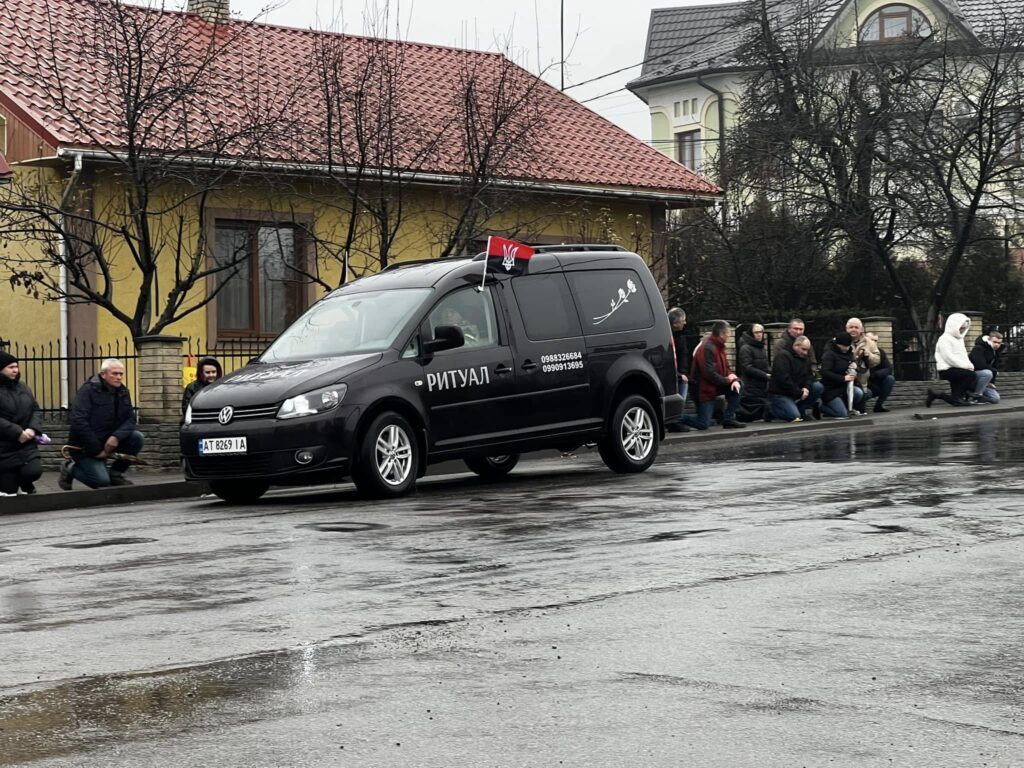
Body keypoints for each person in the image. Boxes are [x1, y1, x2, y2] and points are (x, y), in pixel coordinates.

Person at [60, 358, 144, 490]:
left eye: (121, 374)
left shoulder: (122, 392)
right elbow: (79, 421)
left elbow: (130, 419)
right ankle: (69, 468)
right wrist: (97, 449)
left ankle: (116, 474)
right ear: (103, 374)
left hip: (109, 441)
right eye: (114, 374)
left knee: (137, 438)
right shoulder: (88, 391)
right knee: (101, 481)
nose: (119, 377)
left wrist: (116, 437)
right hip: (84, 448)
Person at [683, 321, 745, 430]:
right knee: (703, 424)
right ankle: (676, 419)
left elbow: (727, 368)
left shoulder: (719, 347)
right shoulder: (707, 348)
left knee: (738, 385)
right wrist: (728, 380)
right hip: (703, 390)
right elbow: (709, 374)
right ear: (721, 334)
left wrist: (733, 379)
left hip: (714, 386)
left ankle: (728, 419)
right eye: (728, 333)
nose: (729, 336)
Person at [0, 352, 44, 497]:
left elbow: (35, 410)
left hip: (27, 444)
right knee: (9, 491)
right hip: (5, 446)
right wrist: (17, 432)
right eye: (10, 367)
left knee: (33, 471)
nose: (15, 370)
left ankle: (25, 482)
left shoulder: (23, 387)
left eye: (16, 367)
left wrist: (32, 429)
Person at [768, 335, 823, 422]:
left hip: (797, 391)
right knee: (793, 416)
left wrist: (806, 388)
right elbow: (784, 380)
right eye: (803, 349)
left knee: (818, 387)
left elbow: (809, 376)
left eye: (807, 350)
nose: (805, 352)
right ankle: (771, 410)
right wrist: (799, 392)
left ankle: (800, 410)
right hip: (781, 393)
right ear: (796, 346)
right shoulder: (783, 356)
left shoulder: (805, 358)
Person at [927, 312, 976, 408]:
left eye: (964, 328)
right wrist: (966, 366)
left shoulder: (959, 340)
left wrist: (970, 365)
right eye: (960, 328)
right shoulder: (944, 339)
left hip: (956, 368)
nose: (962, 330)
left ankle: (935, 395)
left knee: (955, 401)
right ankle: (961, 396)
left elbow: (963, 355)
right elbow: (948, 357)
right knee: (970, 375)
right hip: (947, 369)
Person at [846, 317, 894, 413]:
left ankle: (878, 405)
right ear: (846, 329)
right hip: (851, 379)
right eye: (851, 327)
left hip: (869, 380)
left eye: (856, 327)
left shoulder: (872, 345)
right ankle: (852, 406)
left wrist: (869, 356)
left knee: (889, 379)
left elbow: (885, 366)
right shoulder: (841, 341)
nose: (853, 329)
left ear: (861, 330)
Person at [818, 332, 865, 418]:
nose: (846, 348)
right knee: (841, 414)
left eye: (848, 346)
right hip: (831, 389)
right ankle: (821, 408)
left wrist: (855, 367)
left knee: (858, 393)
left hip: (844, 388)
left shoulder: (850, 354)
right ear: (838, 344)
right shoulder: (829, 354)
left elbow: (854, 367)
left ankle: (847, 408)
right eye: (844, 346)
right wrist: (843, 378)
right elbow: (825, 372)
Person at [736, 323, 770, 422]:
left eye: (761, 332)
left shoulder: (761, 347)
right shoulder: (746, 348)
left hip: (761, 385)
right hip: (750, 384)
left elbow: (765, 365)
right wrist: (765, 375)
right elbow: (747, 367)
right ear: (751, 333)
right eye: (756, 332)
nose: (759, 335)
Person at [667, 307, 691, 432]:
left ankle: (676, 420)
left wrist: (683, 373)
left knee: (683, 390)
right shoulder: (667, 337)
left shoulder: (680, 336)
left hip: (679, 373)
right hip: (670, 374)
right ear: (675, 323)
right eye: (683, 320)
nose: (685, 323)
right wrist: (679, 375)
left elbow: (683, 357)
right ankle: (674, 421)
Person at [968, 330, 1002, 404]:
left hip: (984, 381)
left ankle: (973, 396)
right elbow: (980, 365)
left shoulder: (995, 352)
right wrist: (994, 371)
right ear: (989, 340)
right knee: (987, 373)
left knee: (995, 399)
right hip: (973, 377)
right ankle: (976, 396)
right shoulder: (979, 348)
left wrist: (992, 382)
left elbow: (995, 367)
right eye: (995, 342)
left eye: (999, 343)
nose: (997, 345)